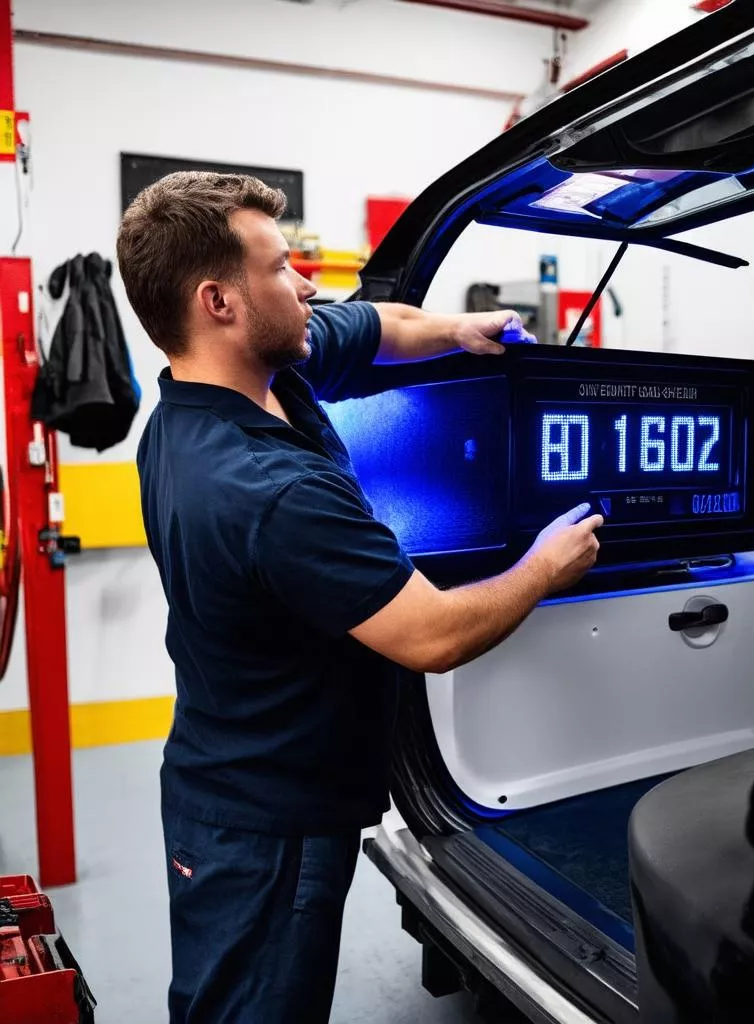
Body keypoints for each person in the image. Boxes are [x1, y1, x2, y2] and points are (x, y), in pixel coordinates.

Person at [115, 171, 603, 1024]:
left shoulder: (234, 387)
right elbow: (433, 636)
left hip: (231, 773)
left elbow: (381, 327)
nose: (307, 285)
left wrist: (460, 330)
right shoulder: (264, 489)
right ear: (218, 301)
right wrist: (545, 566)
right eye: (282, 268)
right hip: (264, 828)